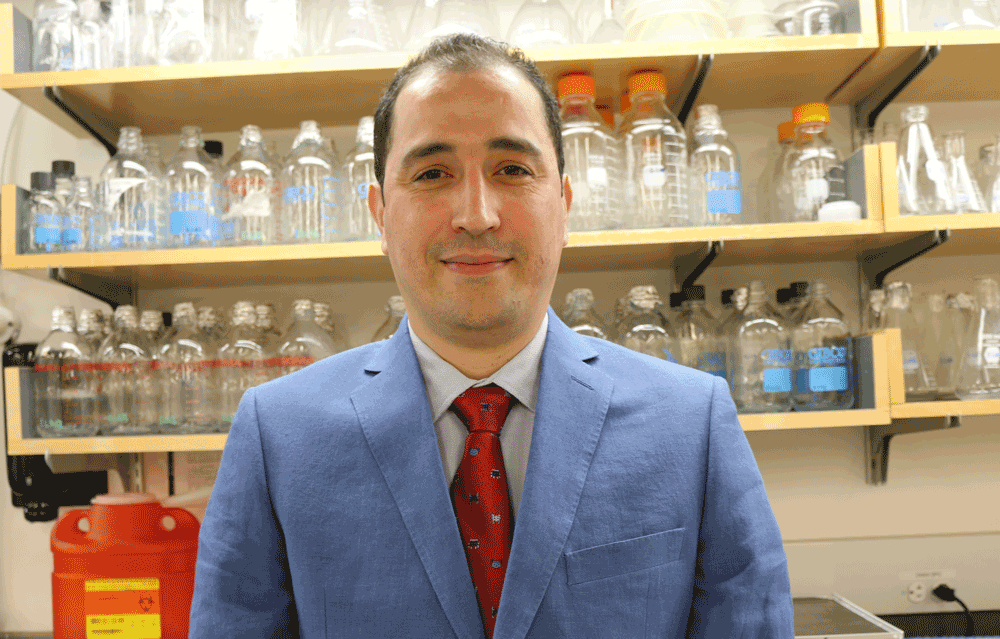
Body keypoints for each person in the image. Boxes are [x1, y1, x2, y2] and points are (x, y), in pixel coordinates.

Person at [189, 33, 794, 638]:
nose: (476, 215)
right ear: (379, 214)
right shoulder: (279, 434)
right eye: (431, 172)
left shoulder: (691, 423)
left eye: (512, 169)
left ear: (563, 204)